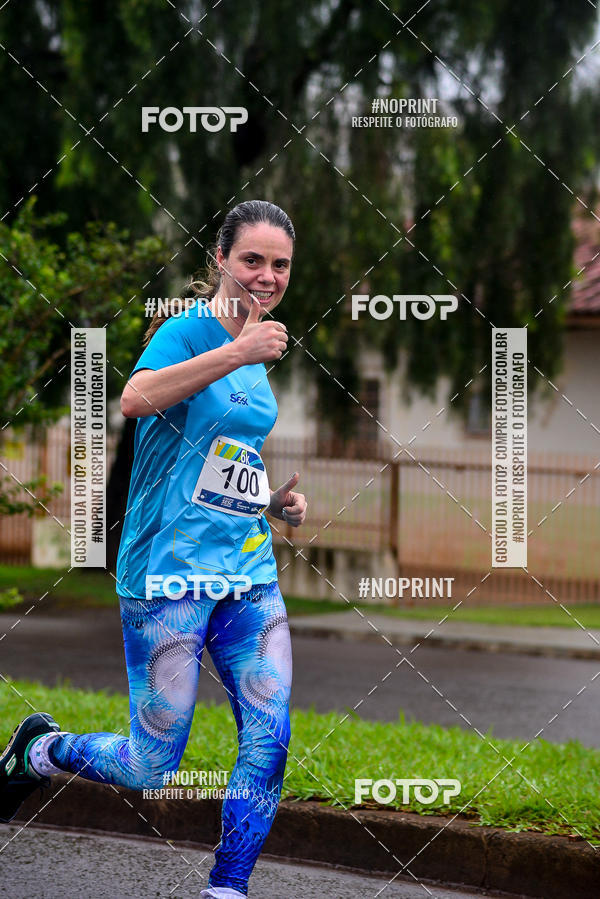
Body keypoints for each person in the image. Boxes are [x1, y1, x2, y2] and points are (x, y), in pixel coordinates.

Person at [0, 199, 307, 898]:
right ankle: (38, 750)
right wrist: (234, 350)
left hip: (246, 570)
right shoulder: (190, 331)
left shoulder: (259, 347)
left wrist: (270, 500)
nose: (266, 275)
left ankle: (226, 888)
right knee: (150, 763)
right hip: (167, 574)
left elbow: (217, 460)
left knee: (268, 733)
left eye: (280, 263)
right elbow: (135, 399)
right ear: (221, 260)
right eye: (252, 259)